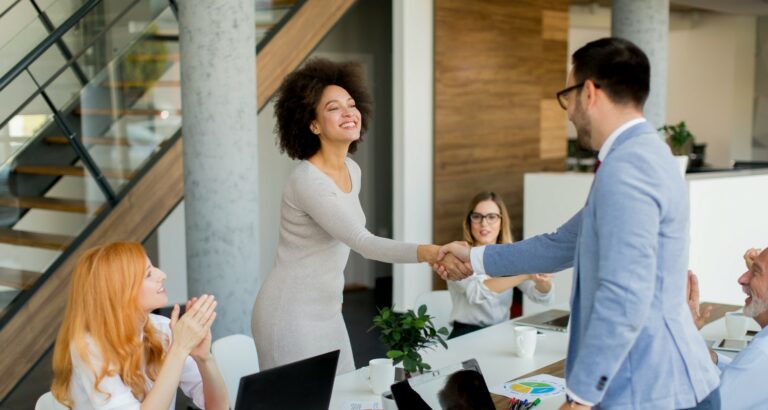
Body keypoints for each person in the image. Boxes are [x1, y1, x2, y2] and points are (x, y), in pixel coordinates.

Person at [436, 37, 719, 409]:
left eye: (567, 96)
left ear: (589, 92)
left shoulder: (629, 168)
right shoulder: (640, 156)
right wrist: (473, 258)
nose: (567, 112)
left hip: (654, 389)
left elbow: (624, 293)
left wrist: (583, 395)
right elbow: (559, 244)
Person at [251, 58, 442, 375]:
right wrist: (429, 252)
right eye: (333, 108)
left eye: (351, 104)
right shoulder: (307, 181)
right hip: (289, 315)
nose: (348, 113)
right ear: (312, 124)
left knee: (344, 397)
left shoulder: (352, 169)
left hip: (329, 311)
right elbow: (362, 242)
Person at [50, 242, 229, 409]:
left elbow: (217, 407)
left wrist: (204, 359)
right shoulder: (89, 346)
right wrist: (179, 349)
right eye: (149, 274)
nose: (162, 275)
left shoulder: (162, 328)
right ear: (119, 292)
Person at [447, 191, 554, 339]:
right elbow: (477, 293)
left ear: (501, 222)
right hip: (466, 334)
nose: (484, 223)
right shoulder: (457, 256)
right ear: (469, 221)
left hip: (500, 332)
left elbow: (543, 298)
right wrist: (524, 275)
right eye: (477, 217)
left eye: (491, 217)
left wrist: (542, 281)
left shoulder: (509, 254)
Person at [688, 247, 768, 409]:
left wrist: (675, 336)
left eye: (756, 271)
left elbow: (708, 406)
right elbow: (746, 379)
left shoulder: (762, 354)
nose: (742, 279)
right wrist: (709, 357)